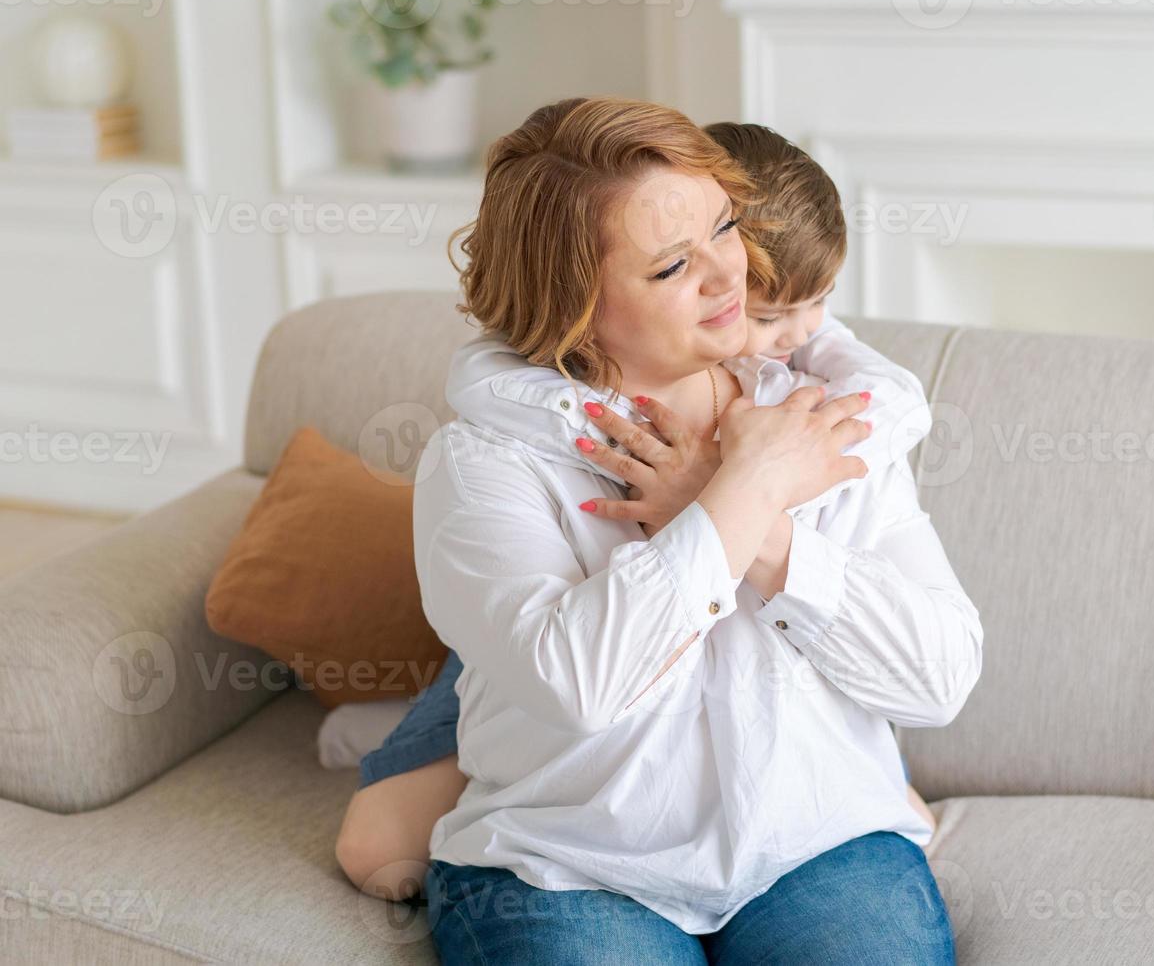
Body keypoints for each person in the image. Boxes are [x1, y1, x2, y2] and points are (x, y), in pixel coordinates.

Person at [347, 96, 983, 963]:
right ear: (574, 304)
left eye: (724, 227)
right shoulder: (484, 464)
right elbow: (579, 684)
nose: (732, 277)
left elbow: (938, 677)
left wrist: (755, 530)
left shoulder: (825, 424)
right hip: (569, 865)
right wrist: (743, 490)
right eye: (672, 266)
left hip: (820, 845)